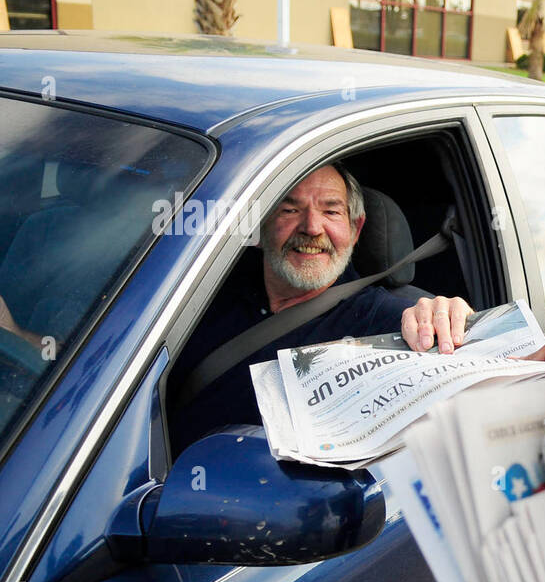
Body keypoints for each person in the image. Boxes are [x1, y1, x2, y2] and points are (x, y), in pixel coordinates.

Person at [168, 163, 474, 451]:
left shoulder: (388, 324)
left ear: (355, 230)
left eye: (331, 211)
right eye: (290, 209)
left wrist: (455, 325)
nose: (312, 227)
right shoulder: (196, 295)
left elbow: (474, 394)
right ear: (258, 229)